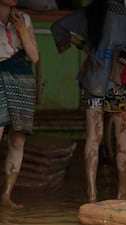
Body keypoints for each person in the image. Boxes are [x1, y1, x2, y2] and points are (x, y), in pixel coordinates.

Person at [51, 0, 126, 203]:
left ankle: (91, 194)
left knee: (93, 136)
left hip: (93, 81)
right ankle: (122, 192)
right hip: (118, 82)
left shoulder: (89, 13)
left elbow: (58, 27)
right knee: (123, 138)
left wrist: (80, 46)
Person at [0, 0, 39, 209]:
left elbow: (34, 56)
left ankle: (6, 195)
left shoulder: (24, 19)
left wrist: (22, 30)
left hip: (21, 77)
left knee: (18, 140)